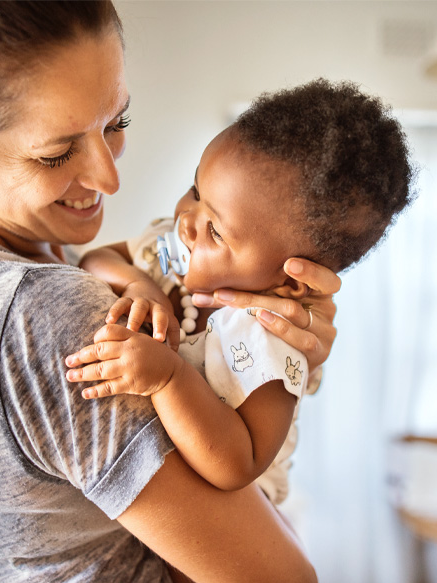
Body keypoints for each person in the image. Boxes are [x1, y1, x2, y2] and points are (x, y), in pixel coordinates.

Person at [0, 1, 343, 583]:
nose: (110, 179)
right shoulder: (40, 312)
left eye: (117, 123)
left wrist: (278, 354)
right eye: (56, 153)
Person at [67, 79, 414, 505]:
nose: (187, 220)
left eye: (215, 230)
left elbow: (238, 464)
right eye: (196, 191)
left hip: (240, 515)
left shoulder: (269, 337)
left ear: (289, 282)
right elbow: (97, 259)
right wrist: (137, 283)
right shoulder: (176, 252)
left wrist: (169, 378)